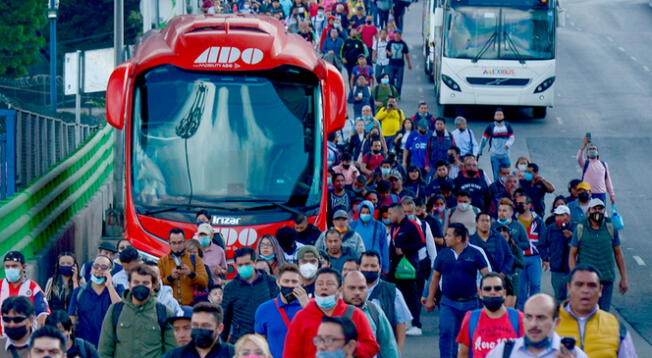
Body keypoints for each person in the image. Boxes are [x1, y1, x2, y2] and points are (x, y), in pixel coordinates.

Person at [424, 223, 490, 358]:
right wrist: (430, 298)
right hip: (448, 303)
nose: (445, 238)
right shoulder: (443, 254)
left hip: (471, 303)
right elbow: (435, 277)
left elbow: (487, 275)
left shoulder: (475, 253)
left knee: (471, 335)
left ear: (459, 238)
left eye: (448, 235)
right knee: (446, 333)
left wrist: (487, 294)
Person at [282, 268, 379, 358]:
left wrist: (349, 347)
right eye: (319, 284)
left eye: (329, 284)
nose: (324, 287)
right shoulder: (301, 317)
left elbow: (372, 347)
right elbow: (290, 353)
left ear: (340, 289)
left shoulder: (355, 314)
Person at [556, 265, 638, 357]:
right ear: (569, 288)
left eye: (592, 285)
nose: (585, 290)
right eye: (579, 285)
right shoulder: (550, 323)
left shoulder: (615, 325)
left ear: (600, 290)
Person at [98, 264, 175, 358]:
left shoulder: (164, 313)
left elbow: (172, 352)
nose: (140, 286)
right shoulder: (115, 310)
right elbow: (104, 349)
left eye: (145, 283)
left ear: (153, 286)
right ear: (129, 285)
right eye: (136, 282)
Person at [568, 198, 628, 311]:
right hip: (586, 281)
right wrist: (574, 276)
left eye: (600, 209)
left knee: (603, 313)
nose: (597, 211)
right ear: (588, 211)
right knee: (587, 311)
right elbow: (572, 254)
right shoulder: (580, 228)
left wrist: (624, 278)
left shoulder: (611, 227)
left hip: (606, 279)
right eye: (594, 209)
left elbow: (618, 254)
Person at [487, 293, 588, 358]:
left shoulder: (574, 355)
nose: (533, 324)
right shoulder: (503, 352)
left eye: (541, 317)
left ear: (556, 322)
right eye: (528, 317)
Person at [457, 273, 523, 358]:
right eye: (487, 289)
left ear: (504, 293)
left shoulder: (518, 318)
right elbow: (463, 354)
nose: (492, 292)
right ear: (480, 293)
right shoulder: (471, 319)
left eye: (497, 288)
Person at [221, 247, 279, 344]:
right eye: (240, 265)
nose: (244, 267)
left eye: (247, 264)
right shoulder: (230, 287)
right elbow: (225, 317)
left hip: (266, 340)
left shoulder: (270, 281)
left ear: (254, 263)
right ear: (235, 265)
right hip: (241, 340)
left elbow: (277, 310)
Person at [358, 251, 411, 354]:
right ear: (359, 267)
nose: (369, 269)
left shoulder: (392, 291)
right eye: (366, 265)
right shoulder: (349, 290)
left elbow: (400, 322)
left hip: (383, 349)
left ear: (380, 268)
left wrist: (398, 351)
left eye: (373, 266)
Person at [387, 203, 425, 336]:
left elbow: (421, 242)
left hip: (409, 266)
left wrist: (404, 250)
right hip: (395, 266)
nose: (389, 216)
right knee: (394, 294)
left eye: (391, 214)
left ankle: (416, 324)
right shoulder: (394, 227)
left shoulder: (412, 225)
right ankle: (403, 321)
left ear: (398, 213)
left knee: (410, 295)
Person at [342, 271, 400, 358]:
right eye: (352, 288)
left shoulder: (374, 311)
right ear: (342, 289)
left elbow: (388, 346)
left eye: (361, 288)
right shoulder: (333, 312)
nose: (357, 292)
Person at [254, 264, 307, 358]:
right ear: (278, 282)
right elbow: (259, 343)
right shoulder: (264, 309)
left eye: (294, 281)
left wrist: (307, 307)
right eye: (286, 281)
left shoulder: (310, 307)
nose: (290, 285)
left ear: (300, 283)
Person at [68, 255, 121, 347]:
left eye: (104, 267)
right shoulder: (79, 292)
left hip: (109, 345)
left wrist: (109, 286)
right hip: (85, 346)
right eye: (96, 266)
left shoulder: (117, 289)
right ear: (91, 269)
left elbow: (120, 309)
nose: (99, 269)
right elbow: (71, 319)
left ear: (110, 270)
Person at [162, 303, 235, 358]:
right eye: (195, 325)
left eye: (205, 325)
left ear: (219, 328)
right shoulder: (174, 355)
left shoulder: (234, 353)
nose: (199, 330)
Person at [158, 228, 209, 306]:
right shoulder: (162, 261)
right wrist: (171, 277)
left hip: (191, 305)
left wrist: (191, 274)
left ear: (184, 242)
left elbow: (205, 281)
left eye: (180, 243)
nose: (177, 246)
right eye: (174, 243)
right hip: (169, 306)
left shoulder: (195, 259)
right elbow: (157, 285)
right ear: (169, 243)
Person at [515, 194, 545, 309]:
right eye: (517, 203)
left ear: (529, 205)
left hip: (534, 257)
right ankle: (522, 315)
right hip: (519, 258)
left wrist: (545, 258)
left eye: (521, 203)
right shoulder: (514, 220)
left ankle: (535, 309)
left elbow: (543, 239)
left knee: (535, 284)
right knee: (521, 288)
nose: (518, 205)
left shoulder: (538, 220)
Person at [538, 205, 573, 302]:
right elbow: (541, 245)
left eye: (562, 215)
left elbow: (583, 245)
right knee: (559, 297)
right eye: (557, 215)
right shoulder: (551, 229)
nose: (559, 218)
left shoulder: (575, 227)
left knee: (573, 297)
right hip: (557, 269)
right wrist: (546, 258)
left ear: (568, 216)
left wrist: (572, 237)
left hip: (572, 269)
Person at [470, 212, 514, 277]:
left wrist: (503, 273)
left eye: (487, 221)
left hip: (498, 276)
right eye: (482, 220)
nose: (485, 223)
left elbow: (509, 256)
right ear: (476, 223)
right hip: (478, 278)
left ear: (491, 223)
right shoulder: (471, 241)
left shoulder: (499, 238)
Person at [351, 201, 390, 273]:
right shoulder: (352, 225)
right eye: (363, 212)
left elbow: (384, 247)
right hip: (357, 262)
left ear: (372, 212)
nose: (365, 214)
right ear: (359, 212)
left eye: (368, 212)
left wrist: (385, 267)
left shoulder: (379, 226)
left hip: (375, 262)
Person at [478, 108, 515, 182]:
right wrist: (480, 150)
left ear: (503, 116)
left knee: (506, 175)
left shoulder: (507, 125)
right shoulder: (491, 126)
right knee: (496, 176)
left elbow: (512, 137)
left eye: (500, 114)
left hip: (505, 155)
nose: (499, 116)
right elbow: (484, 139)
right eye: (497, 115)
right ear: (494, 116)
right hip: (495, 156)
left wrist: (508, 144)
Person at [577, 135, 615, 204]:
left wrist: (612, 194)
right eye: (590, 149)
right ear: (587, 153)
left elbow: (608, 180)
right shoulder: (585, 163)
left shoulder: (603, 164)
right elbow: (579, 158)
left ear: (598, 152)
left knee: (600, 213)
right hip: (587, 193)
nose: (592, 150)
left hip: (600, 194)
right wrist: (583, 146)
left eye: (594, 149)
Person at [385, 30, 411, 95]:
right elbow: (386, 49)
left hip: (400, 65)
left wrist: (409, 63)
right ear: (394, 35)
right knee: (390, 78)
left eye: (398, 35)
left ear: (400, 35)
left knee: (399, 80)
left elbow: (406, 54)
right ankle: (392, 91)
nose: (397, 36)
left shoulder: (403, 43)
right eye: (395, 34)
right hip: (391, 63)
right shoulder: (390, 42)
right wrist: (389, 53)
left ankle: (398, 93)